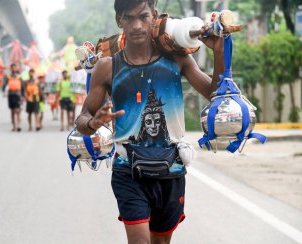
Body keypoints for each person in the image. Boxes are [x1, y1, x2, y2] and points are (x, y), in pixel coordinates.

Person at [75, 0, 224, 243]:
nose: (136, 25)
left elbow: (215, 94)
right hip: (128, 170)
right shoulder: (107, 67)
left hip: (171, 170)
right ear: (119, 20)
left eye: (143, 17)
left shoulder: (178, 59)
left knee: (160, 241)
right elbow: (81, 120)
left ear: (154, 16)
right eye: (129, 18)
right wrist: (93, 123)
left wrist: (218, 51)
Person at [3, 63, 24, 132]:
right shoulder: (8, 77)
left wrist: (23, 95)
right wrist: (5, 93)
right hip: (10, 95)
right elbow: (5, 86)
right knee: (12, 111)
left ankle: (18, 125)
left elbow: (22, 87)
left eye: (15, 68)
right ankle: (13, 126)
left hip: (17, 95)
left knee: (18, 111)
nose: (14, 69)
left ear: (16, 68)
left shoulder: (19, 77)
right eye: (12, 68)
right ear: (10, 69)